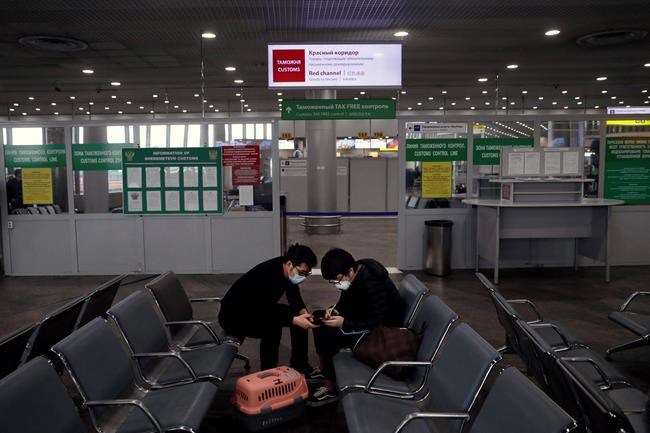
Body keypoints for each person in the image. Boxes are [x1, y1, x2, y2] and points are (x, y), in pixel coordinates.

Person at [309, 248, 403, 406]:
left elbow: (376, 319)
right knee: (319, 318)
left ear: (350, 271)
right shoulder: (356, 272)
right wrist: (335, 309)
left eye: (337, 280)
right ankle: (324, 368)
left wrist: (344, 323)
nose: (338, 284)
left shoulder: (372, 282)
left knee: (329, 334)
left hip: (382, 329)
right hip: (366, 317)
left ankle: (330, 387)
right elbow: (347, 299)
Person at [218, 244, 321, 376]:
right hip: (234, 316)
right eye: (301, 273)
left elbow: (293, 295)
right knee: (272, 327)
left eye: (307, 274)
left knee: (297, 314)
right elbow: (263, 312)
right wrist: (294, 320)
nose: (303, 277)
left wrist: (303, 312)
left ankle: (300, 364)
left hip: (257, 309)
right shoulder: (268, 274)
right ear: (290, 264)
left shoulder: (286, 268)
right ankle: (267, 374)